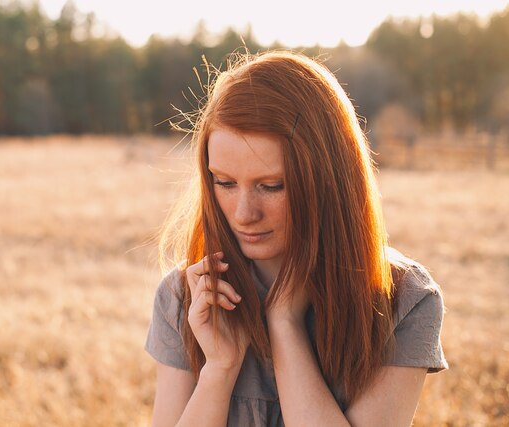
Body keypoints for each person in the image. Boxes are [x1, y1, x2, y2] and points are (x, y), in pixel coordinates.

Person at [145, 51, 447, 426]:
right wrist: (219, 371)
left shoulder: (403, 299)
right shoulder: (186, 297)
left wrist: (284, 322)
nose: (243, 214)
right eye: (224, 183)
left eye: (271, 186)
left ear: (329, 180)